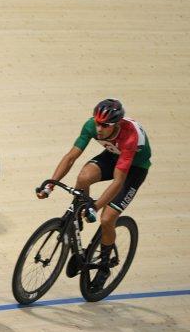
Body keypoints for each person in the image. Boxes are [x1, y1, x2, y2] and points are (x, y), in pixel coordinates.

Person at [38, 98, 151, 287]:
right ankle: (78, 218)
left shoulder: (130, 137)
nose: (99, 129)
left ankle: (104, 267)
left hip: (134, 168)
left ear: (116, 124)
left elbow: (118, 181)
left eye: (105, 125)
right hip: (114, 155)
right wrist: (51, 184)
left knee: (107, 219)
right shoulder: (91, 125)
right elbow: (71, 157)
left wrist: (96, 207)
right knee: (83, 177)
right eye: (98, 123)